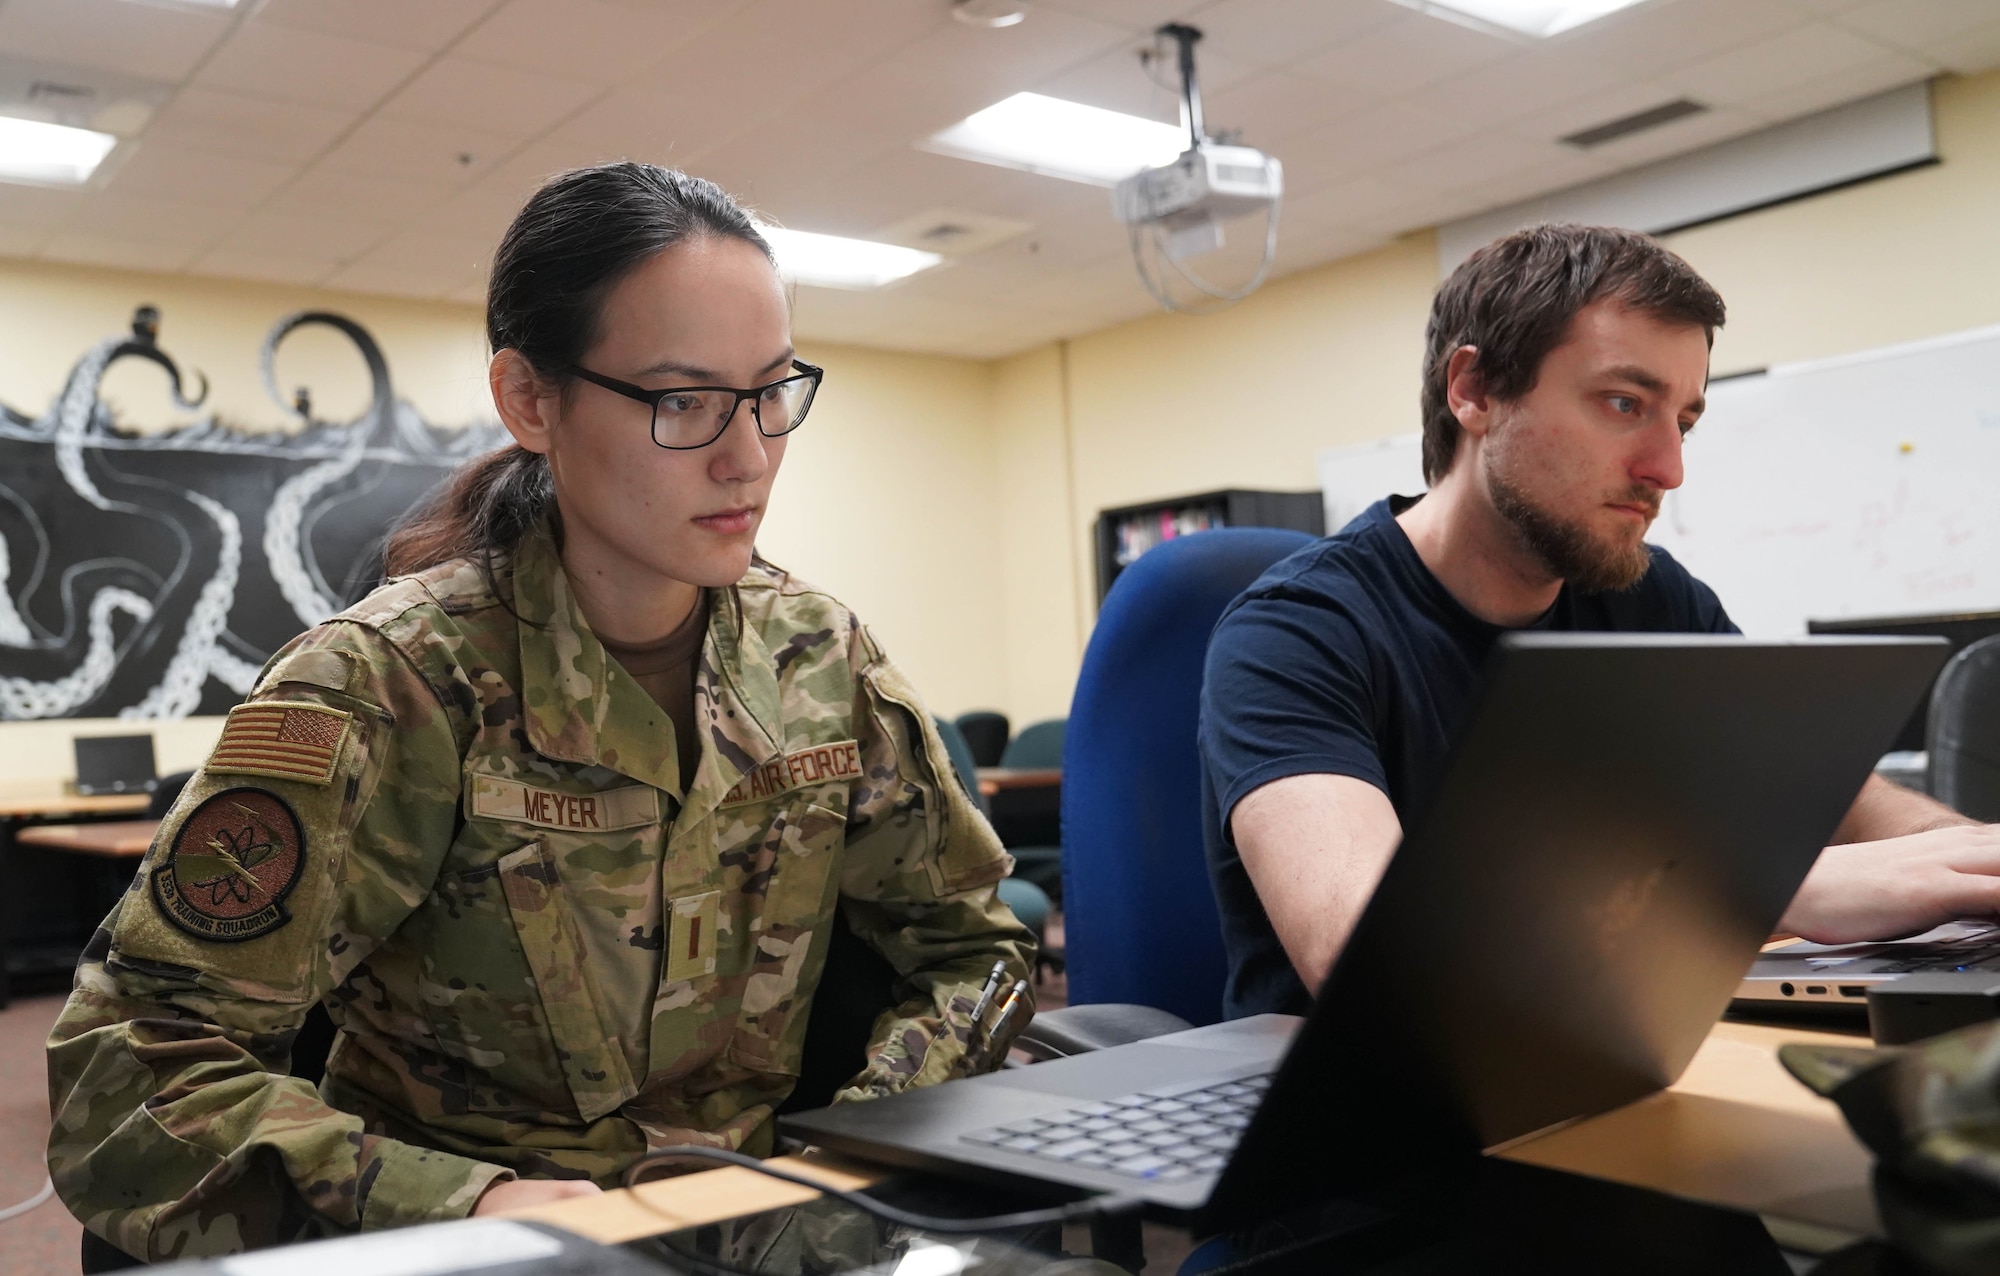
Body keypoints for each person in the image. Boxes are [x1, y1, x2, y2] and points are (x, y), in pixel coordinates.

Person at [46, 162, 1036, 1260]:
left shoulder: (819, 659)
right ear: (529, 400)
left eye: (768, 392)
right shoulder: (386, 688)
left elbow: (972, 949)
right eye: (682, 400)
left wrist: (856, 1155)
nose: (747, 454)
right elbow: (125, 1060)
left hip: (775, 1227)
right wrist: (450, 1202)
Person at [1200, 222, 2000, 1020]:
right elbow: (1364, 955)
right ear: (1474, 391)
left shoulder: (1656, 601)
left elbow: (1834, 798)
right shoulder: (1295, 634)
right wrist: (1776, 886)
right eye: (1626, 403)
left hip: (1596, 1042)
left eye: (1683, 422)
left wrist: (1975, 870)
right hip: (1355, 1106)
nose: (1668, 469)